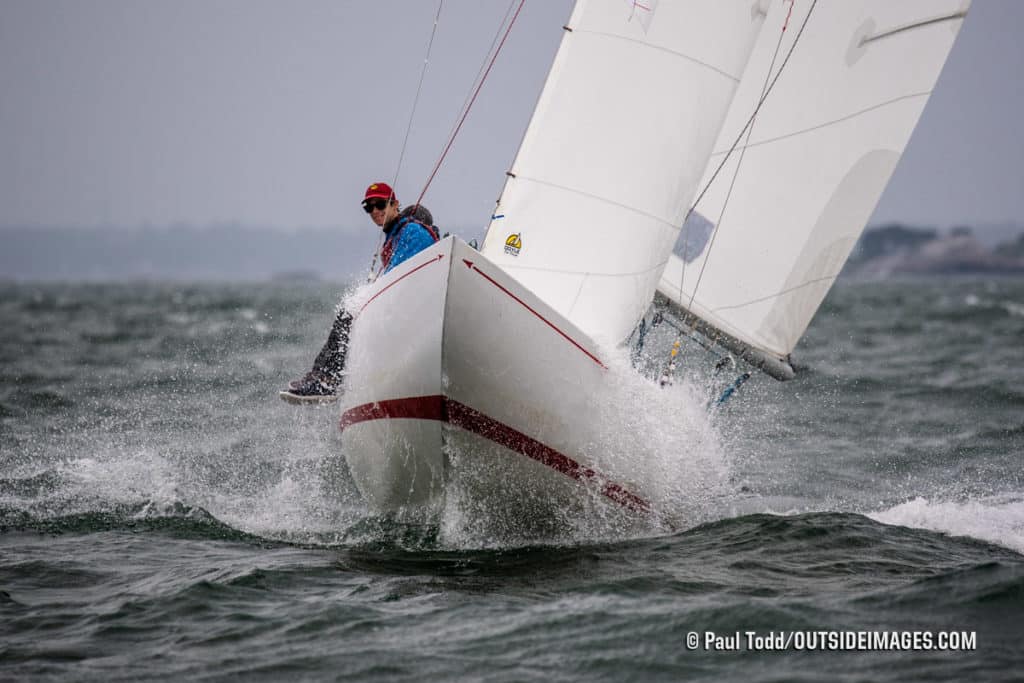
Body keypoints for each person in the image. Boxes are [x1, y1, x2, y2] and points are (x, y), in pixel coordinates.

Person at [279, 182, 439, 403]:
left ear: (395, 204)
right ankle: (323, 376)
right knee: (349, 309)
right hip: (410, 308)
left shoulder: (412, 230)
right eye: (369, 208)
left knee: (350, 309)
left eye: (380, 204)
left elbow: (397, 277)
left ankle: (327, 379)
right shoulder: (395, 233)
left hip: (416, 310)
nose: (375, 211)